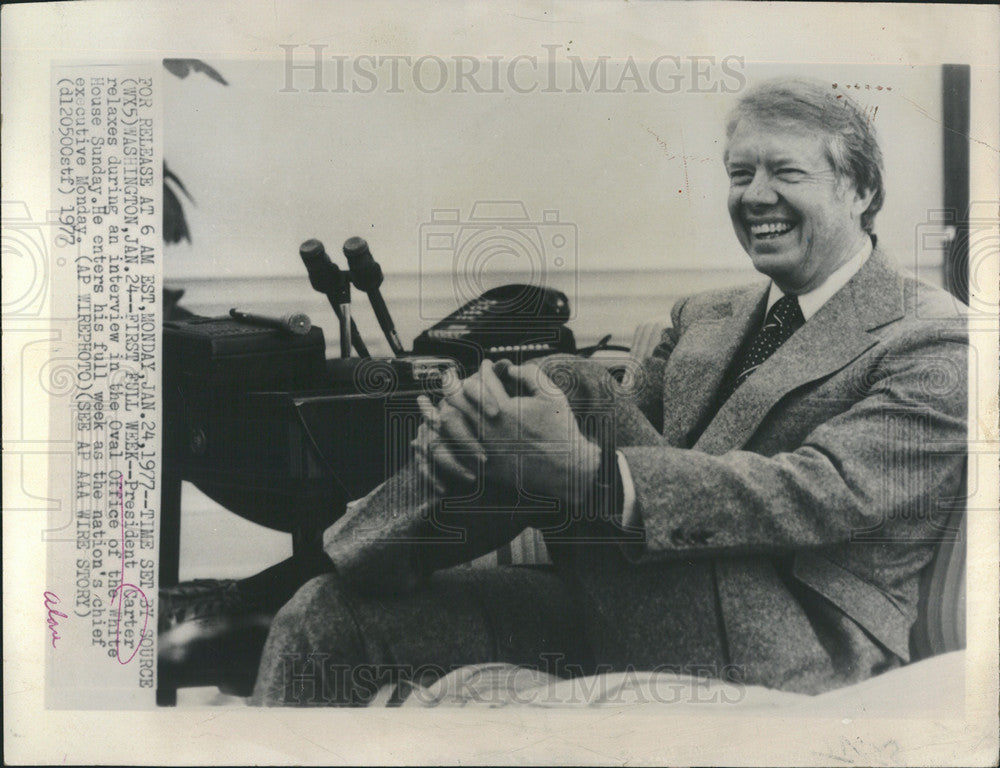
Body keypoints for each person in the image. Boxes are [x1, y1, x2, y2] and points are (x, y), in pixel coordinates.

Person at [251, 77, 968, 705]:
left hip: (795, 650)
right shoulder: (707, 317)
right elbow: (619, 446)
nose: (755, 196)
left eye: (785, 172)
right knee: (328, 618)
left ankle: (351, 544)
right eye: (739, 172)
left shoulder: (931, 342)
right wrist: (478, 440)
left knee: (571, 387)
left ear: (863, 189)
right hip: (632, 598)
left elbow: (820, 492)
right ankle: (357, 558)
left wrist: (590, 476)